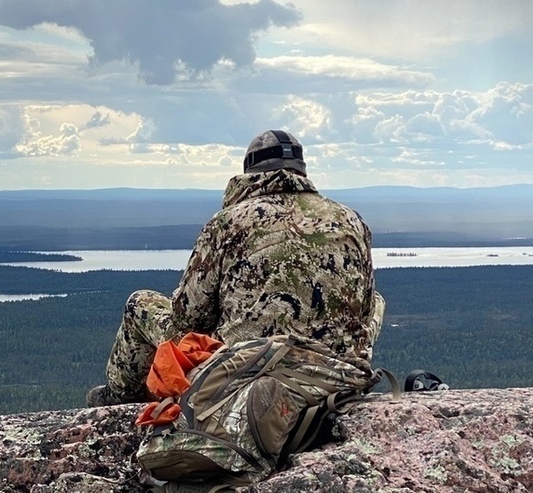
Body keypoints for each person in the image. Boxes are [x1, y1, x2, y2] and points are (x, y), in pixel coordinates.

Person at [87, 130, 385, 406]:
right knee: (377, 302)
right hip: (339, 371)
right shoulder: (351, 219)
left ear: (250, 172)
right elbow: (364, 307)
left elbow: (188, 318)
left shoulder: (228, 222)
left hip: (247, 369)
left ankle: (118, 402)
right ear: (302, 171)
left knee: (140, 304)